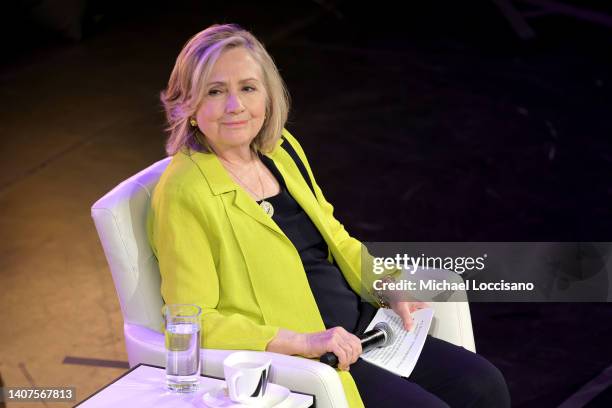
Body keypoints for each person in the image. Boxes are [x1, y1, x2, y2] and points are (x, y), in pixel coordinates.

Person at [147, 23, 511, 407]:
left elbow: (335, 238)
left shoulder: (279, 149)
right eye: (216, 91)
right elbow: (193, 320)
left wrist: (385, 283)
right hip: (311, 358)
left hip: (363, 330)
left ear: (268, 96)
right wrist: (305, 342)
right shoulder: (183, 192)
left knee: (484, 384)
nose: (236, 106)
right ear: (188, 105)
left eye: (248, 88)